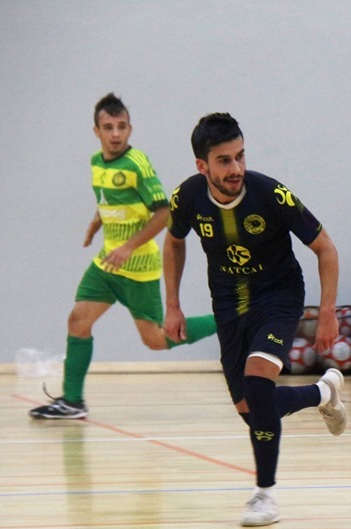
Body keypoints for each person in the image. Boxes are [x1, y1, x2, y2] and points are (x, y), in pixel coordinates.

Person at [163, 112, 347, 527]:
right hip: (228, 307)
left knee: (258, 385)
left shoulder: (270, 195)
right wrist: (172, 304)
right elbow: (173, 243)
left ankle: (265, 495)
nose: (236, 169)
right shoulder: (187, 198)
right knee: (252, 409)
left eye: (240, 156)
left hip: (277, 298)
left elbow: (326, 249)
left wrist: (327, 312)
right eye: (225, 160)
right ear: (202, 166)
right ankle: (322, 393)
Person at [29, 93, 217, 420]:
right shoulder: (96, 163)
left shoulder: (137, 165)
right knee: (78, 320)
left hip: (138, 267)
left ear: (130, 129)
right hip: (107, 264)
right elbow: (110, 201)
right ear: (96, 131)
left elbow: (163, 213)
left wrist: (129, 246)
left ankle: (227, 318)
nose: (115, 134)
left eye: (121, 127)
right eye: (108, 127)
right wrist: (94, 223)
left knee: (157, 340)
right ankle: (73, 400)